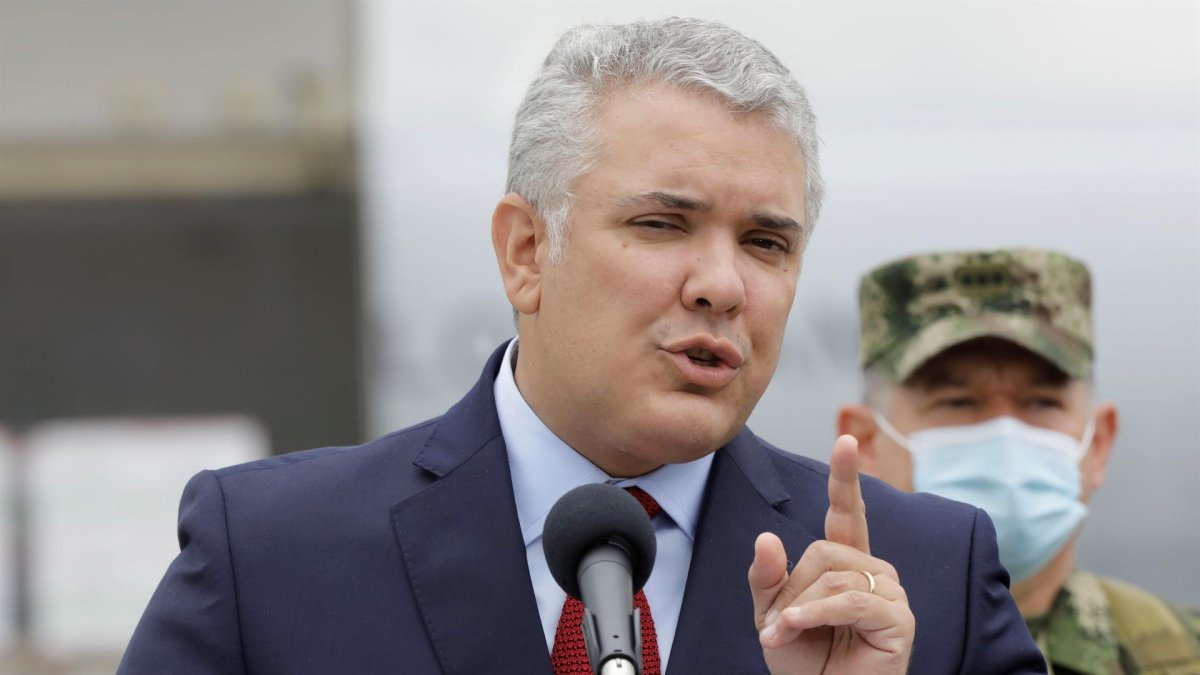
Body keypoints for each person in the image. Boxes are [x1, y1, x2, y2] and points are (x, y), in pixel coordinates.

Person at [119, 19, 1045, 674]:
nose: (722, 284)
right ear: (527, 252)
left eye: (767, 243)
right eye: (660, 223)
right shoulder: (274, 555)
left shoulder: (926, 582)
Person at [838, 248, 1200, 674]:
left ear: (1098, 443)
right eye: (958, 401)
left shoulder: (1182, 655)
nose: (1005, 435)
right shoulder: (799, 653)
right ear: (865, 443)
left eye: (1042, 402)